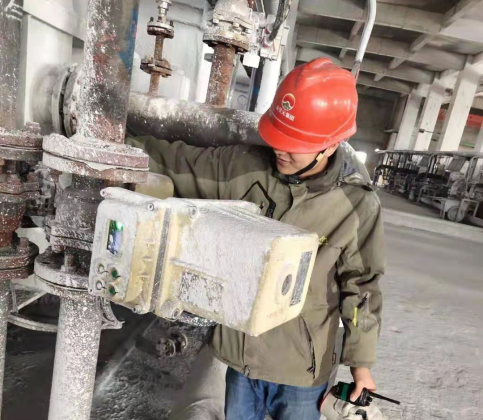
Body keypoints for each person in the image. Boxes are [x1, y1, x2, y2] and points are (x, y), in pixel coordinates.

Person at [127, 58, 385, 420]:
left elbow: (362, 287)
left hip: (300, 371)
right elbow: (175, 162)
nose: (279, 149)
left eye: (293, 143)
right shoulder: (244, 168)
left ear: (329, 146)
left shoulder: (355, 205)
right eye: (277, 137)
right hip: (240, 358)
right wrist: (110, 139)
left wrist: (361, 364)